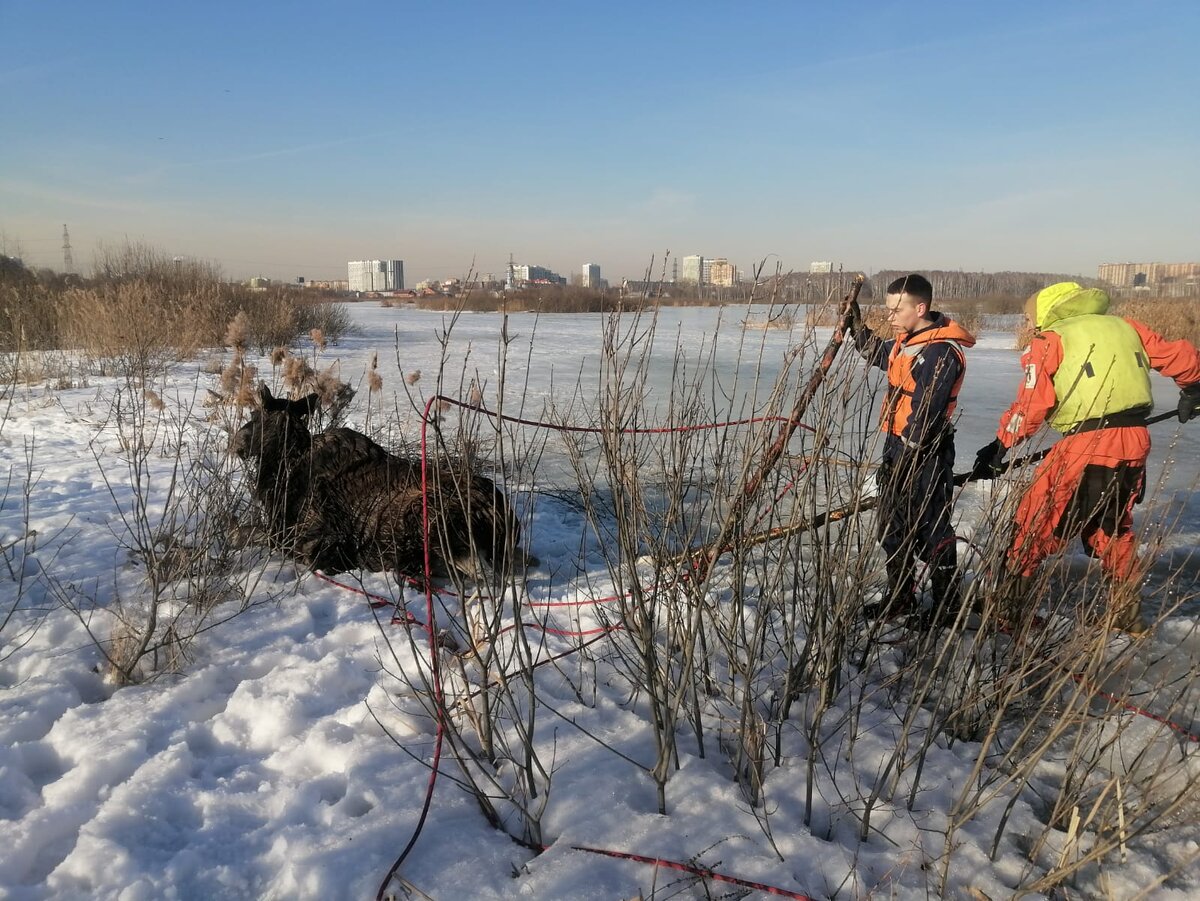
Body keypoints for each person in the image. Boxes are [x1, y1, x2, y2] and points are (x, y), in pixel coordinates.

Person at [972, 281, 1200, 632]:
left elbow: (1034, 404)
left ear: (1045, 314)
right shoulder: (1127, 326)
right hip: (1135, 439)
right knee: (1111, 523)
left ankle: (1008, 608)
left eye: (1031, 317)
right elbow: (1181, 357)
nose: (1031, 324)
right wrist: (1194, 389)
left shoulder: (1051, 339)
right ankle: (1127, 615)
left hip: (1085, 444)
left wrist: (1001, 446)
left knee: (1034, 520)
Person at [847, 273, 976, 623]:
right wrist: (855, 328)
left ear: (920, 307)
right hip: (896, 447)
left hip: (923, 453)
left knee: (931, 527)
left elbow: (927, 410)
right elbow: (880, 354)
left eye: (896, 309)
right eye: (887, 308)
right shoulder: (908, 342)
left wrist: (908, 454)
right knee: (892, 525)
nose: (890, 316)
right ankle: (900, 596)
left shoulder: (939, 353)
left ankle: (947, 606)